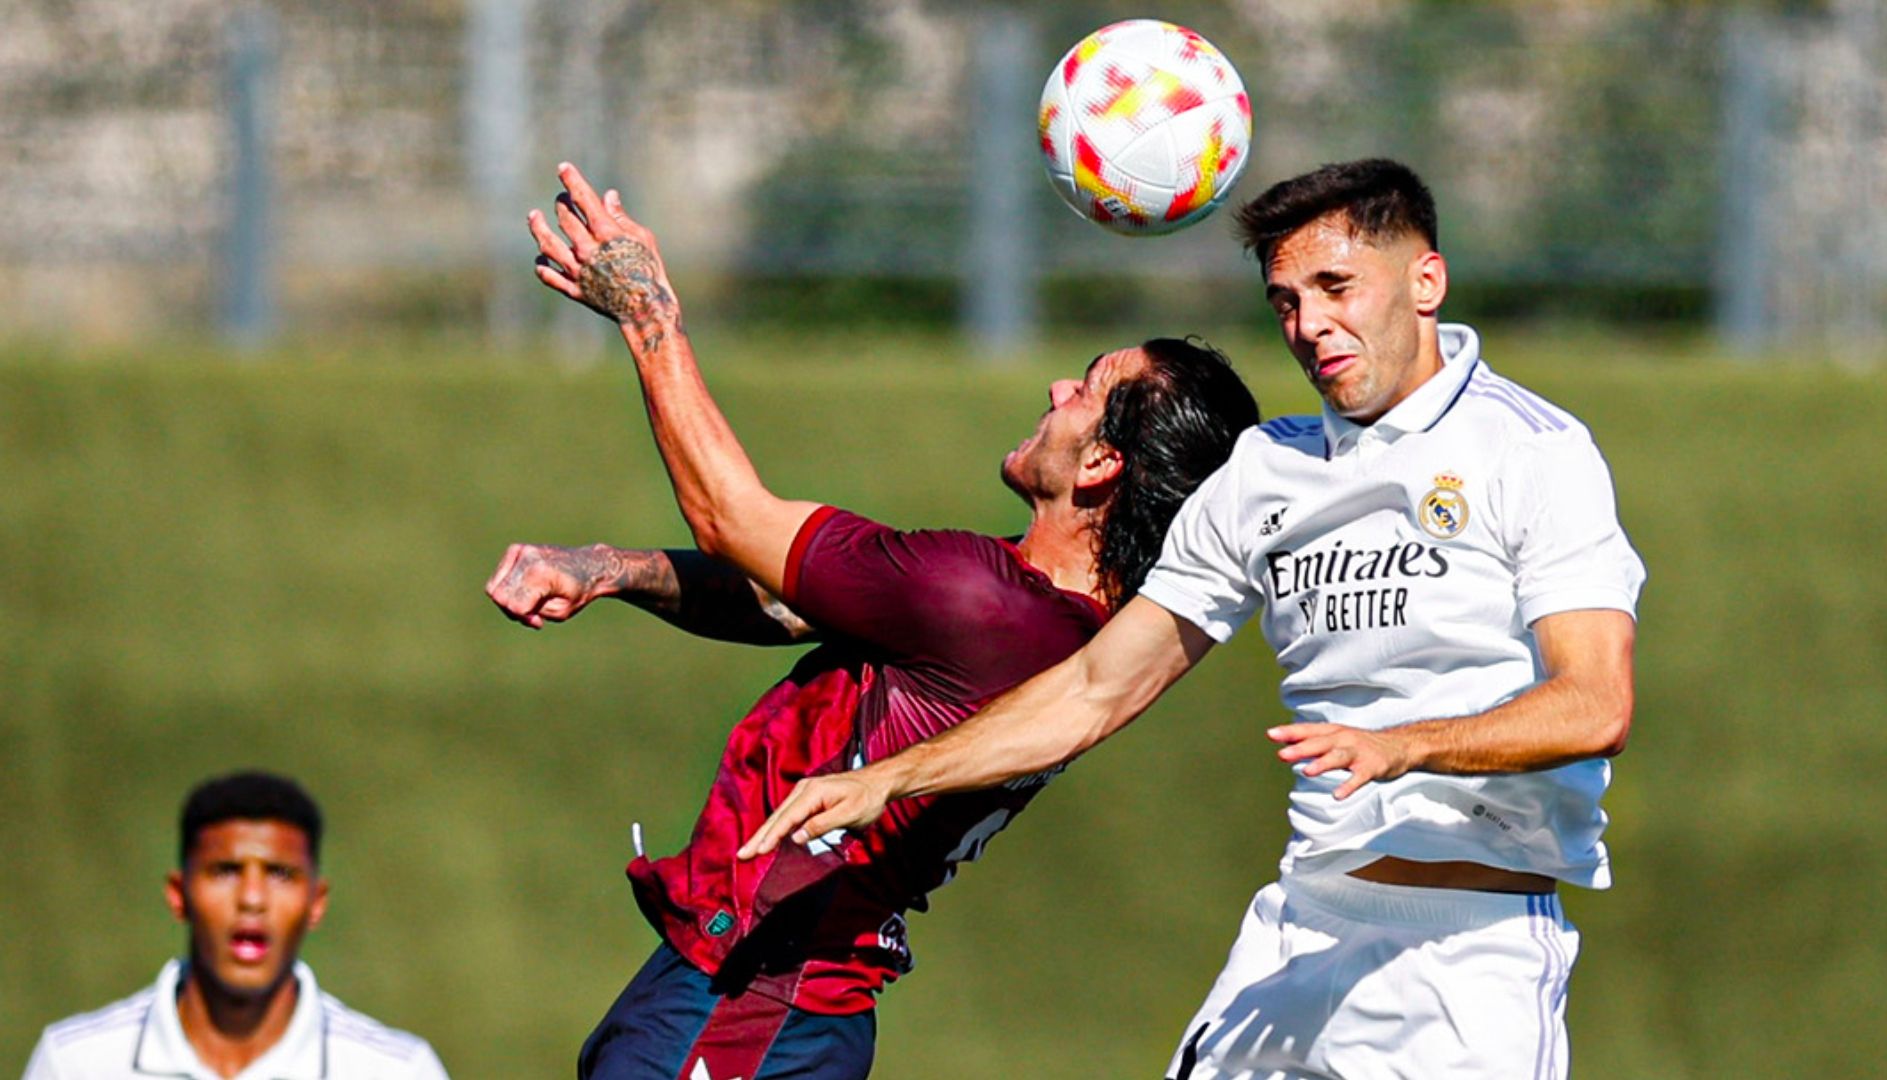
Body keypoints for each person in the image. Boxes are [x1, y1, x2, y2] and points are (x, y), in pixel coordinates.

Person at [745, 158, 1647, 1079]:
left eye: (1337, 287)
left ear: (1427, 281)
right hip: (1298, 936)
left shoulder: (1533, 450)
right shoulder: (1266, 469)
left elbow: (1594, 706)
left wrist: (1403, 746)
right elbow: (1096, 688)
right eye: (1285, 301)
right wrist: (890, 779)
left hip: (1467, 961)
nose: (1310, 326)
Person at [485, 162, 1260, 1080]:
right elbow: (787, 604)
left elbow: (730, 518)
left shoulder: (982, 601)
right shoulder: (1058, 624)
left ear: (1099, 467)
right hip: (773, 1001)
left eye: (1088, 389)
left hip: (752, 1001)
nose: (1056, 389)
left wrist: (650, 317)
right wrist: (613, 571)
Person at [22, 771, 450, 1080]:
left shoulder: (397, 1071)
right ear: (179, 894)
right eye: (225, 871)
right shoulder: (75, 1064)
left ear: (316, 902)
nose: (252, 898)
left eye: (280, 874)